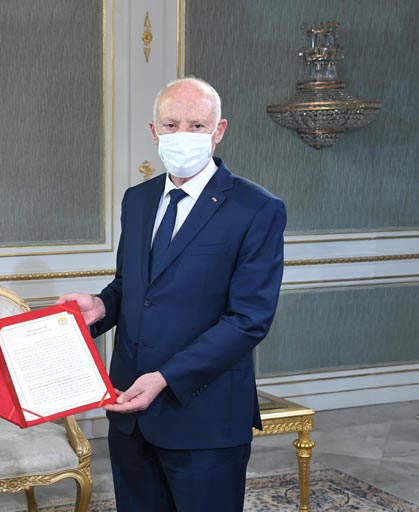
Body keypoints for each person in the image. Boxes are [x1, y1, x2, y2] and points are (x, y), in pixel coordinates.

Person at [58, 78, 286, 511]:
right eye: (171, 124)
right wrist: (102, 305)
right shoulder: (138, 200)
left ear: (219, 130)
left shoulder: (257, 208)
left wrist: (165, 377)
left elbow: (248, 320)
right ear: (154, 131)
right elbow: (132, 286)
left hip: (204, 417)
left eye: (196, 125)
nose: (183, 134)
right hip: (129, 410)